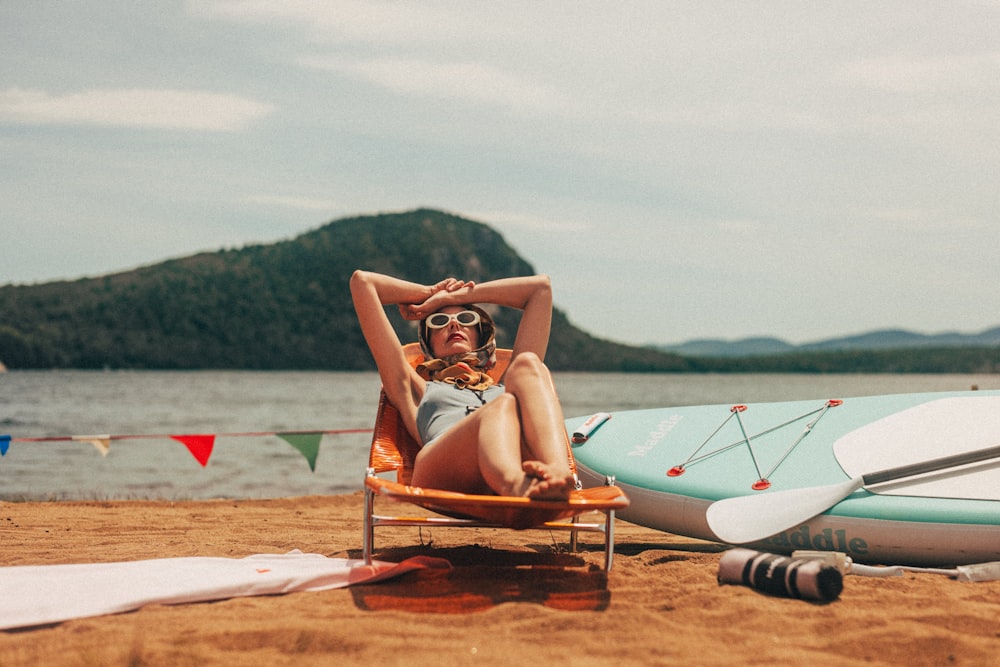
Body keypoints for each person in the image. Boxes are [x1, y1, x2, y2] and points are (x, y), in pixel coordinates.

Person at [350, 270, 576, 500]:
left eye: (466, 319)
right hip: (444, 469)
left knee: (530, 364)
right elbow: (363, 282)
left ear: (481, 336)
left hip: (514, 457)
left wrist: (452, 297)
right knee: (501, 406)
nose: (454, 325)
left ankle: (559, 472)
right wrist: (429, 294)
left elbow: (540, 289)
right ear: (428, 346)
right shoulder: (414, 387)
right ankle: (515, 486)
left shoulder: (504, 387)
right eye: (438, 321)